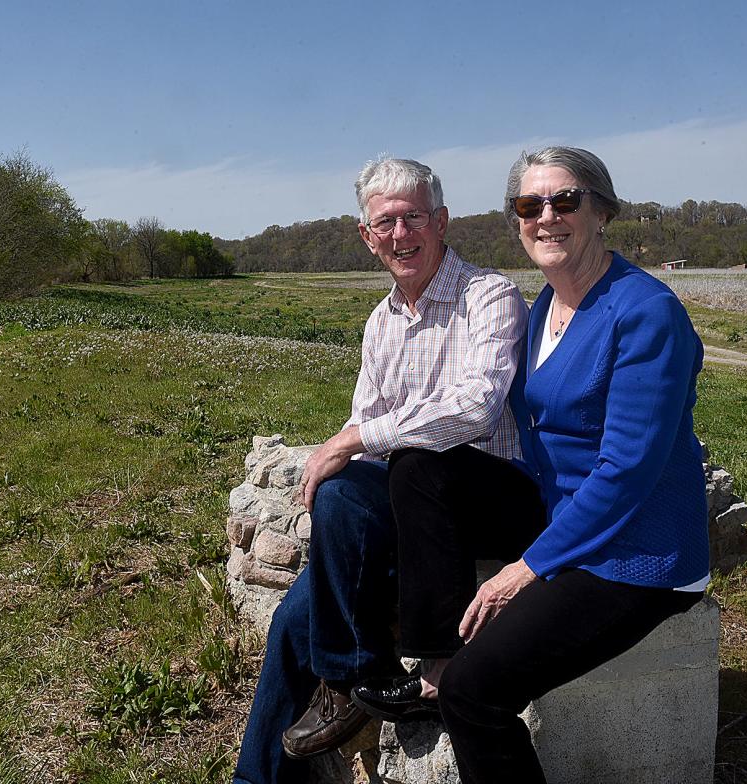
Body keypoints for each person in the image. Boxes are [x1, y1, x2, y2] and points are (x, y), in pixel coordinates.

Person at [357, 146, 710, 783]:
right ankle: (404, 658)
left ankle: (452, 680)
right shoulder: (543, 308)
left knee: (473, 690)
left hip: (634, 556)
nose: (545, 216)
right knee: (419, 469)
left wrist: (526, 568)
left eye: (564, 200)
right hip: (561, 523)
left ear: (601, 212)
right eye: (529, 204)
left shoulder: (645, 312)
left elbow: (628, 470)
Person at [233, 156, 545, 784]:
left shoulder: (489, 296)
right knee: (300, 609)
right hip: (409, 503)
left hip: (483, 499)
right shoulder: (383, 322)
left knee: (393, 467)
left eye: (413, 219)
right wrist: (349, 455)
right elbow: (366, 446)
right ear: (366, 236)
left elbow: (475, 410)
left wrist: (354, 439)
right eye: (386, 224)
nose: (400, 235)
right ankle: (319, 712)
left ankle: (368, 672)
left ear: (441, 221)